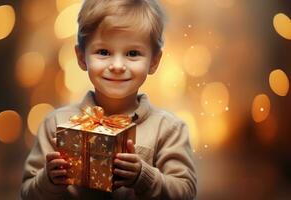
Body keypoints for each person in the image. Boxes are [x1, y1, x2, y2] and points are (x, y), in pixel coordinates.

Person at [21, 0, 197, 199]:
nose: (117, 65)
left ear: (154, 61)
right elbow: (28, 193)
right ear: (81, 57)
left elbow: (185, 192)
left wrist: (143, 176)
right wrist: (49, 180)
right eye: (103, 52)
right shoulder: (55, 124)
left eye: (133, 53)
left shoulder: (169, 129)